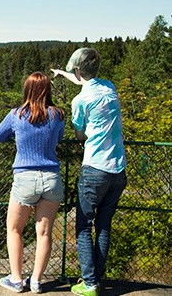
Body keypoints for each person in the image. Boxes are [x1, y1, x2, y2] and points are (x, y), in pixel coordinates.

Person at [52, 48, 127, 296]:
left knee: (84, 225)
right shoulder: (109, 87)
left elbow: (80, 134)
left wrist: (83, 136)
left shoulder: (80, 101)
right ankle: (98, 278)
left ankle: (89, 283)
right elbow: (84, 81)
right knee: (103, 226)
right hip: (118, 169)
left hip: (95, 168)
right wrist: (62, 73)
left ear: (77, 69)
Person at [0, 71, 65, 294]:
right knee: (43, 233)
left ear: (27, 90)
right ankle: (36, 281)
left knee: (14, 229)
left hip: (25, 179)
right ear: (48, 91)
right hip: (52, 179)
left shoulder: (17, 115)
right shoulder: (58, 115)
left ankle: (16, 279)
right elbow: (59, 138)